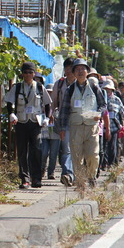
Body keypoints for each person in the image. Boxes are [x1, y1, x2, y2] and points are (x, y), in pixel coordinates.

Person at [59, 58, 107, 187]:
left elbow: (103, 105)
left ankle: (91, 176)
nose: (80, 72)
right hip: (75, 126)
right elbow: (64, 110)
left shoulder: (93, 87)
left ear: (87, 72)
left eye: (83, 69)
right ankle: (80, 181)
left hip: (92, 126)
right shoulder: (70, 90)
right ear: (73, 73)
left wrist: (99, 114)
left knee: (93, 154)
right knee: (76, 155)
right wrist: (62, 128)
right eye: (77, 69)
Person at [5, 61, 52, 188]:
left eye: (30, 72)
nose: (28, 75)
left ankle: (36, 178)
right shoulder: (17, 87)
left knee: (37, 149)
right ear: (22, 74)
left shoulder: (40, 87)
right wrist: (11, 114)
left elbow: (48, 104)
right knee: (22, 150)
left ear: (34, 73)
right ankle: (24, 179)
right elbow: (9, 103)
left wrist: (47, 118)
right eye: (25, 72)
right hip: (21, 121)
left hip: (35, 122)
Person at [51, 57, 76, 186]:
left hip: (79, 120)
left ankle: (73, 175)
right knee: (66, 148)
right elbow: (54, 102)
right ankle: (67, 174)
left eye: (71, 68)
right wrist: (51, 114)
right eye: (66, 68)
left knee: (77, 149)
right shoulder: (59, 84)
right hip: (64, 119)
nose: (69, 71)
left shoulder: (81, 84)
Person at [103, 79, 124, 169]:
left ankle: (111, 165)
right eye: (105, 89)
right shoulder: (100, 98)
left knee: (112, 147)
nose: (107, 91)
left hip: (113, 127)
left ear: (112, 89)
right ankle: (103, 164)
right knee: (102, 149)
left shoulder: (116, 100)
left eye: (108, 89)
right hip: (101, 128)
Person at [41, 83, 61, 180]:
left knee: (53, 154)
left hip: (56, 134)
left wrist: (54, 117)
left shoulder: (58, 107)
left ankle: (51, 172)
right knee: (44, 152)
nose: (49, 95)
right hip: (44, 133)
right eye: (47, 92)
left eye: (51, 93)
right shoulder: (41, 107)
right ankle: (42, 170)